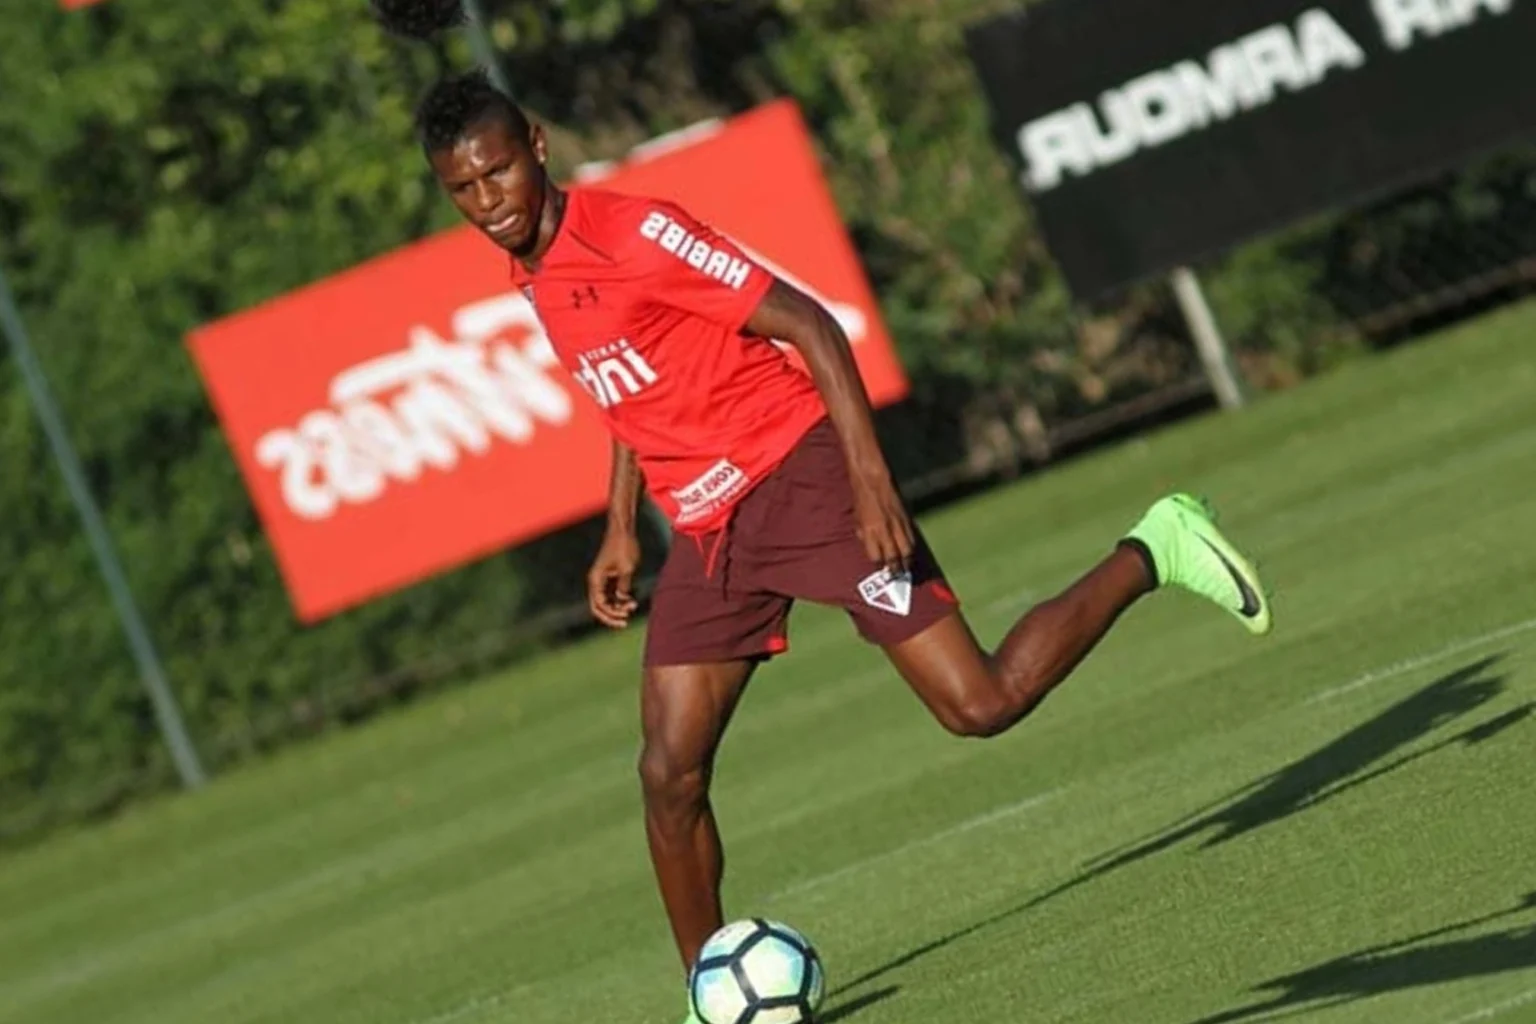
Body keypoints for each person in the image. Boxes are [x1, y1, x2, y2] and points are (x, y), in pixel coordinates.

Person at [416, 70, 1272, 1013]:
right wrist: (621, 525)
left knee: (978, 704)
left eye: (497, 172)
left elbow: (812, 324)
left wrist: (869, 484)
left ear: (535, 146)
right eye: (462, 188)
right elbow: (631, 390)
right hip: (707, 532)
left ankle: (1155, 546)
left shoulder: (631, 233)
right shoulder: (530, 267)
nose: (486, 201)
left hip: (802, 480)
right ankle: (711, 997)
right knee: (668, 773)